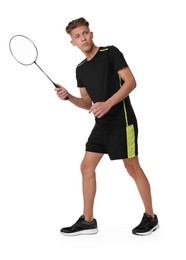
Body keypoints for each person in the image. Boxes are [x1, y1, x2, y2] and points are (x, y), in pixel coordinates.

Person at [55, 17, 159, 236]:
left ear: (91, 33)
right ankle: (88, 221)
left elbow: (131, 82)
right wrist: (68, 97)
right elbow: (86, 103)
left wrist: (108, 103)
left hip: (123, 121)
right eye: (77, 36)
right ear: (72, 42)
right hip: (102, 124)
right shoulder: (80, 69)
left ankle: (151, 217)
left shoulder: (110, 53)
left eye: (85, 33)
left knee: (131, 167)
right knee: (86, 167)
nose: (82, 38)